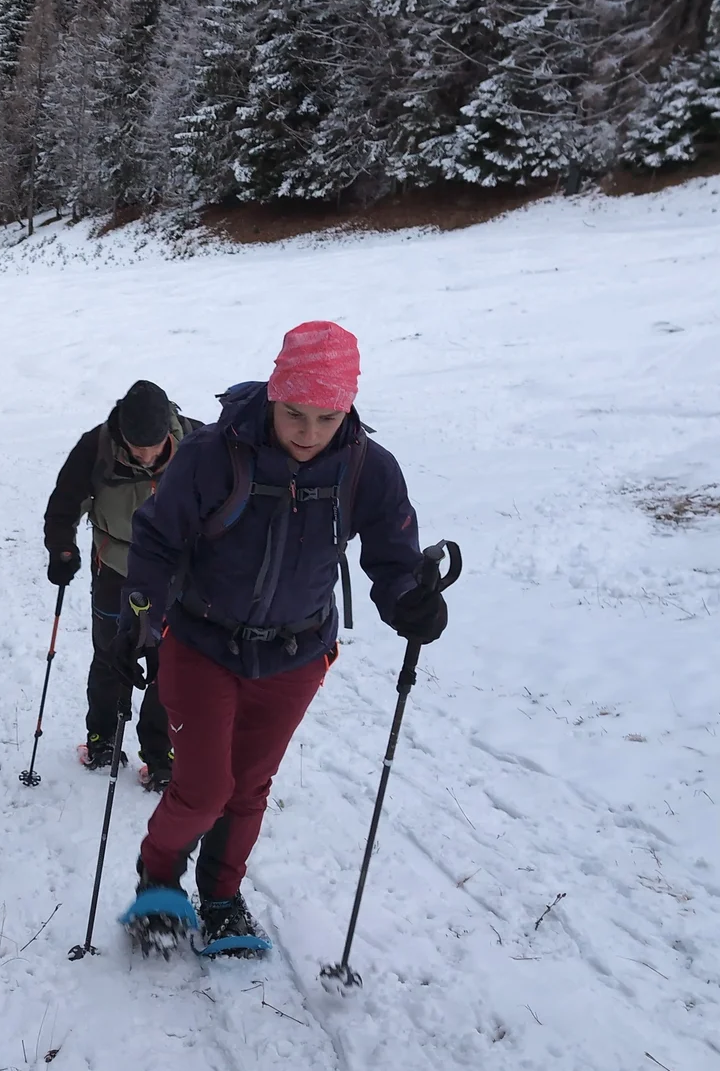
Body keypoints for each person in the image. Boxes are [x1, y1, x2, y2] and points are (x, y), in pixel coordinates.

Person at [110, 322, 448, 954]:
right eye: (295, 413)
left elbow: (393, 558)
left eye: (327, 417)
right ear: (273, 392)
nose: (309, 432)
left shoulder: (367, 468)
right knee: (204, 787)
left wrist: (411, 603)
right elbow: (156, 538)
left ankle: (220, 897)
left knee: (248, 788)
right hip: (202, 644)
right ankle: (158, 883)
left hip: (295, 655)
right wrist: (144, 612)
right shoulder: (214, 454)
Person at [43, 380, 202, 789]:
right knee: (111, 656)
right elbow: (63, 506)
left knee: (169, 666)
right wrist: (62, 550)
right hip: (116, 569)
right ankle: (102, 740)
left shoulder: (200, 443)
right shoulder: (95, 447)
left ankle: (161, 754)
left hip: (176, 576)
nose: (146, 456)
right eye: (136, 447)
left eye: (153, 446)